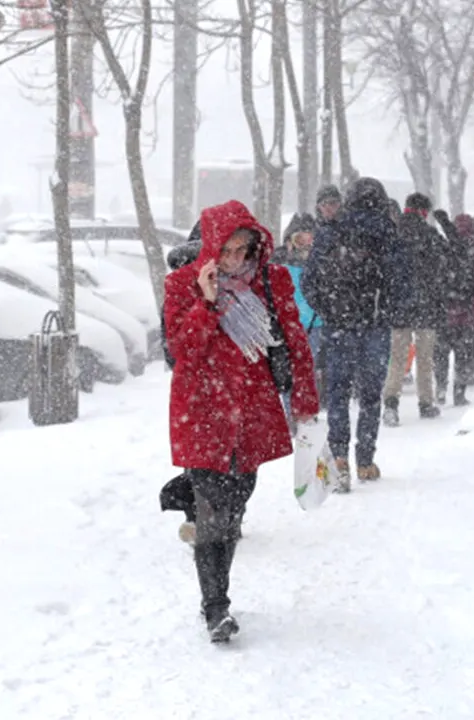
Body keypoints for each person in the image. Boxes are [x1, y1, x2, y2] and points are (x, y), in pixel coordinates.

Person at [163, 200, 318, 643]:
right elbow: (181, 350)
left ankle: (216, 592)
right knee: (211, 509)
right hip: (203, 410)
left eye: (244, 250)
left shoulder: (272, 282)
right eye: (227, 250)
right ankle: (217, 606)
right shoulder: (182, 285)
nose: (235, 260)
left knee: (235, 506)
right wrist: (207, 303)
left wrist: (306, 400)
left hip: (251, 410)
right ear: (211, 246)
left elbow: (294, 340)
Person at [303, 177, 404, 487]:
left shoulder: (331, 231)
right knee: (371, 395)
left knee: (338, 394)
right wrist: (384, 311)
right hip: (374, 326)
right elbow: (400, 282)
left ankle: (339, 460)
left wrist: (330, 311)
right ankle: (366, 461)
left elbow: (309, 282)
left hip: (338, 326)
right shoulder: (388, 232)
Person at [383, 192, 444, 425]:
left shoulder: (394, 234)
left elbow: (386, 271)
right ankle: (426, 402)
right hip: (426, 306)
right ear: (425, 211)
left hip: (399, 307)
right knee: (425, 358)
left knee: (397, 358)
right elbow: (443, 266)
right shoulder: (430, 235)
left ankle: (390, 403)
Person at [433, 210, 474, 405]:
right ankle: (459, 393)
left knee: (442, 354)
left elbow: (435, 281)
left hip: (445, 313)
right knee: (463, 355)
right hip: (468, 314)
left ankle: (441, 387)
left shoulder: (444, 252)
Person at [272, 212, 323, 417]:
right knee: (288, 372)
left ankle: (307, 413)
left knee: (308, 372)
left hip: (314, 325)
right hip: (287, 325)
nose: (304, 244)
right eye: (299, 238)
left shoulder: (320, 262)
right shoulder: (279, 261)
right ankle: (291, 413)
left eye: (309, 238)